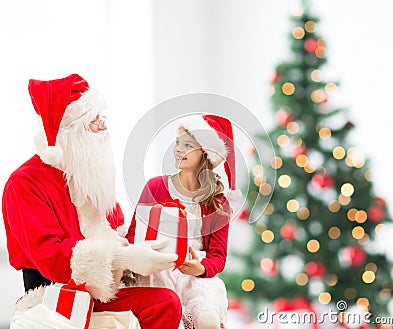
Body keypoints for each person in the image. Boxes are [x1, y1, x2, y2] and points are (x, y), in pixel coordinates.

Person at [2, 73, 182, 329]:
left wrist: (160, 249)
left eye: (102, 118)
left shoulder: (88, 174)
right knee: (164, 303)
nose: (104, 127)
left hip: (101, 290)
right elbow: (51, 257)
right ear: (68, 133)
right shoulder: (24, 183)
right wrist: (124, 258)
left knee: (171, 297)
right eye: (93, 121)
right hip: (54, 296)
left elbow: (118, 229)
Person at [126, 114, 240, 329]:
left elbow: (218, 256)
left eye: (187, 145)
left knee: (207, 320)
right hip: (155, 272)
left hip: (193, 277)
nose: (178, 149)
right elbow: (134, 234)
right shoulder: (156, 186)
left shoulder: (217, 202)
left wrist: (200, 269)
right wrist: (138, 258)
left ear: (205, 154)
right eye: (177, 142)